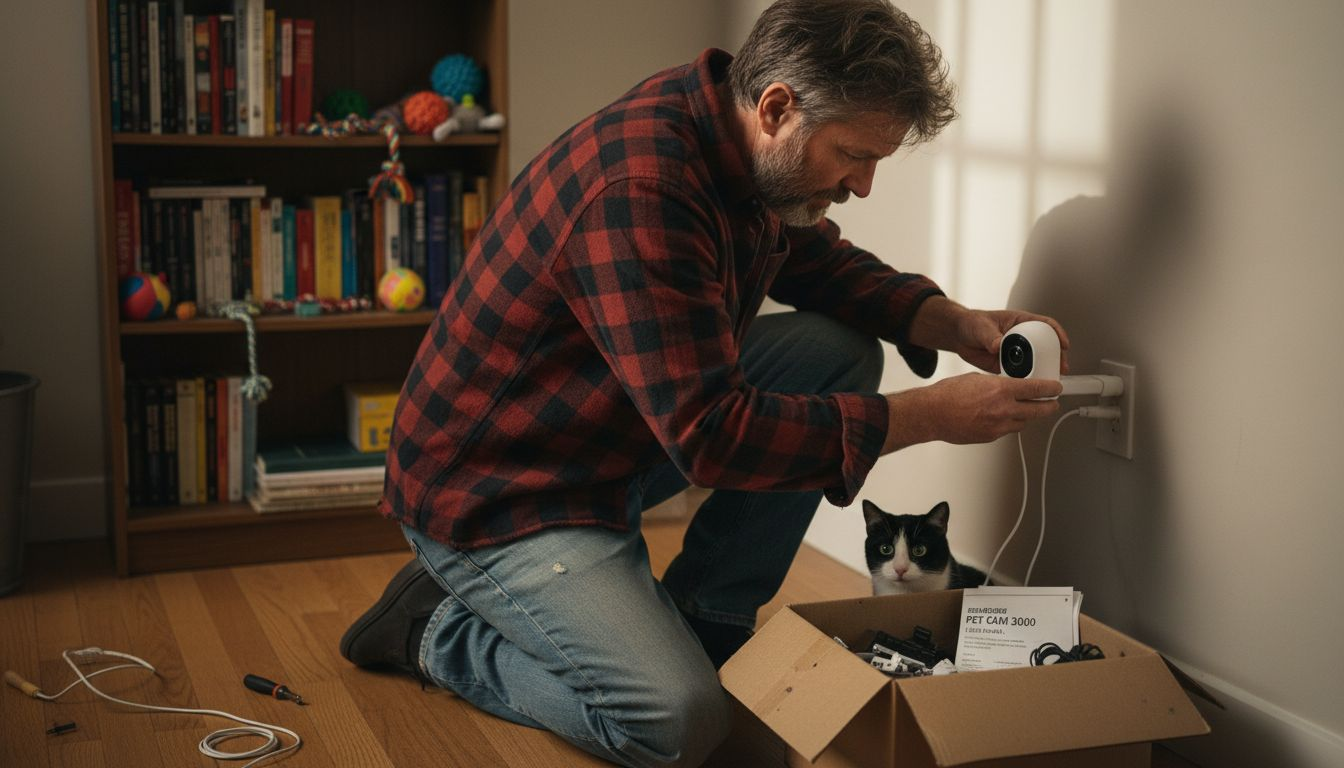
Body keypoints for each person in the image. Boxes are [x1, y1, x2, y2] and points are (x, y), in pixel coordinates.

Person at [340, 1, 1068, 765]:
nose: (864, 186)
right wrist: (928, 416)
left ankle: (704, 623)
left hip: (605, 432)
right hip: (502, 492)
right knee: (676, 723)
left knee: (835, 353)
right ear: (779, 107)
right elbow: (712, 436)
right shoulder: (644, 189)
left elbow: (814, 259)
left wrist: (949, 320)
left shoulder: (731, 137)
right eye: (855, 155)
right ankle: (437, 631)